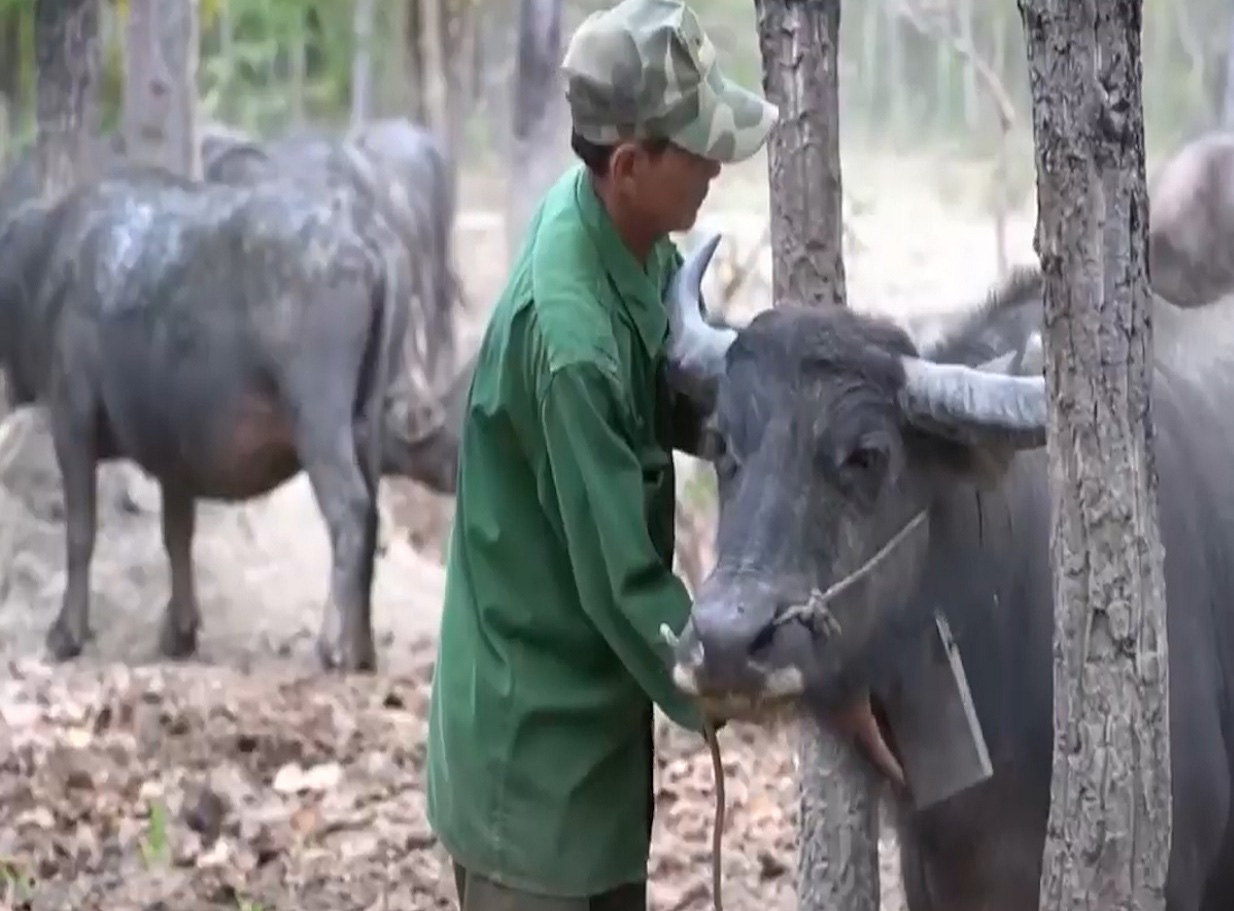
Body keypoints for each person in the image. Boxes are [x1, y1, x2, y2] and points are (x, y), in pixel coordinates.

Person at [425, 0, 778, 908]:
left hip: (594, 729)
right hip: (530, 756)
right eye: (695, 150)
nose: (713, 167)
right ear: (629, 165)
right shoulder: (570, 342)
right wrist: (752, 679)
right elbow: (624, 583)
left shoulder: (620, 230)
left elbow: (667, 381)